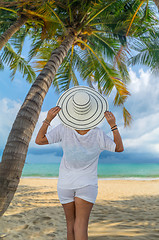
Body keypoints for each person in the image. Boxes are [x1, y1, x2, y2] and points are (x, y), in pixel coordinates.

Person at [35, 86, 124, 240]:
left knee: (70, 226)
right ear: (92, 112)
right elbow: (119, 148)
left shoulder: (63, 128)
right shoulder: (97, 134)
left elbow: (39, 140)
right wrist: (113, 125)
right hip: (87, 184)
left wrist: (48, 119)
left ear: (72, 111)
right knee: (81, 225)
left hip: (65, 184)